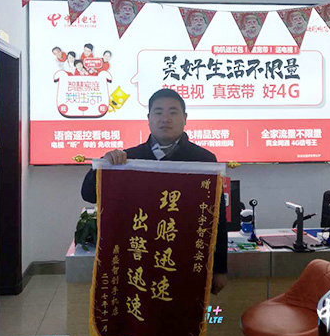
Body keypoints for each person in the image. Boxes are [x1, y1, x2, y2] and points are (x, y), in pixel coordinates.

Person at [81, 88, 228, 294]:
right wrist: (104, 165)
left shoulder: (204, 160)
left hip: (184, 258)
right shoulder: (129, 159)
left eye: (173, 112)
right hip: (139, 257)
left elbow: (217, 217)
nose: (165, 119)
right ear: (149, 118)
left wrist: (220, 268)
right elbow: (89, 195)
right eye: (158, 112)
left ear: (185, 118)